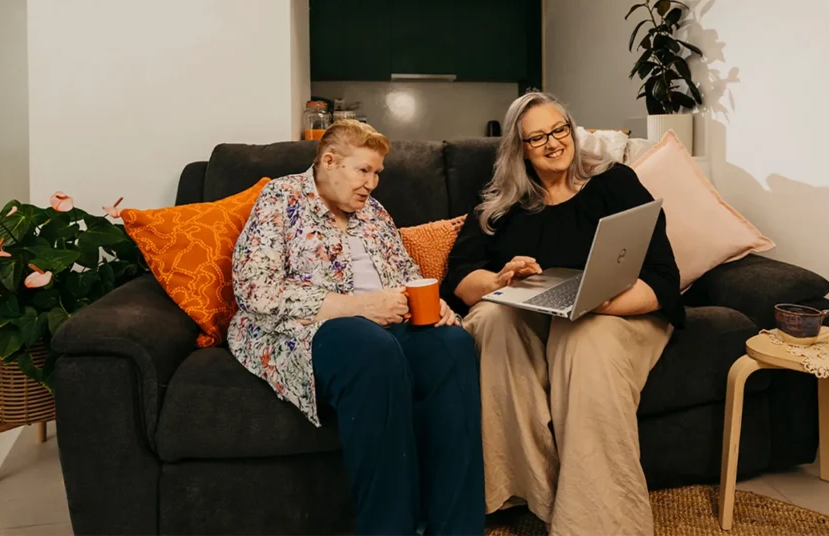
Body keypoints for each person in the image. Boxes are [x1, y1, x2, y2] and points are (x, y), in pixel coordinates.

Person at [440, 92, 685, 535]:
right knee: (492, 322)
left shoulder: (616, 182)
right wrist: (499, 281)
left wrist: (602, 301)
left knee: (582, 338)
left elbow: (663, 277)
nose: (554, 143)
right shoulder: (501, 204)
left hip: (621, 312)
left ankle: (596, 523)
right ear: (519, 149)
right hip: (533, 314)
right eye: (538, 138)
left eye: (559, 130)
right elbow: (459, 278)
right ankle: (529, 491)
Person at [229, 120, 485, 535]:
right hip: (308, 328)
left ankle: (456, 528)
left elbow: (405, 272)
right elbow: (254, 289)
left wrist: (433, 303)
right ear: (329, 161)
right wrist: (358, 307)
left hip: (383, 323)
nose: (372, 183)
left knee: (451, 345)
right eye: (363, 171)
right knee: (371, 347)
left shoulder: (373, 212)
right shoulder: (280, 197)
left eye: (378, 173)